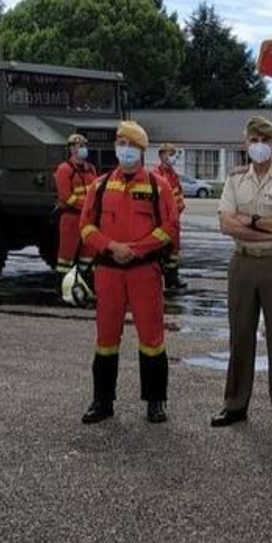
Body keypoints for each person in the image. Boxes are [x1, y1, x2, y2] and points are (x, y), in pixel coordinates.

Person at [77, 121, 180, 424]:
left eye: (130, 145)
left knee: (151, 337)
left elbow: (170, 228)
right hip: (108, 271)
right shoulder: (100, 185)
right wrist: (110, 246)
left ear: (141, 150)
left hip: (143, 271)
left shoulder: (157, 185)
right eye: (120, 143)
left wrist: (137, 249)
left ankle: (155, 401)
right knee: (106, 337)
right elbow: (85, 226)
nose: (124, 149)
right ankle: (102, 401)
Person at [211, 115, 272, 432]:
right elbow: (225, 223)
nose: (259, 146)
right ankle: (235, 405)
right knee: (240, 335)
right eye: (254, 140)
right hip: (243, 263)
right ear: (245, 143)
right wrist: (266, 227)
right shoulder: (235, 177)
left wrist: (248, 222)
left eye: (265, 141)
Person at [53, 134, 98, 303]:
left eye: (84, 145)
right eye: (79, 145)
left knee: (88, 256)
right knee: (66, 258)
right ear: (71, 148)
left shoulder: (90, 169)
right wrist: (87, 206)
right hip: (71, 217)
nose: (83, 148)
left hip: (88, 219)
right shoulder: (64, 169)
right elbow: (66, 197)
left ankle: (84, 288)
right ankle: (61, 290)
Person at [154, 142, 188, 293]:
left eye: (175, 154)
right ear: (162, 155)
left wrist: (180, 205)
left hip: (174, 220)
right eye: (171, 154)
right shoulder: (156, 174)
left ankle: (172, 278)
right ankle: (160, 280)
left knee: (174, 251)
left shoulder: (173, 174)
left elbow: (179, 193)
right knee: (161, 251)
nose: (174, 157)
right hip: (163, 221)